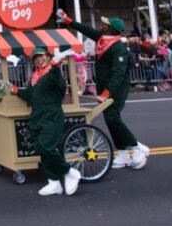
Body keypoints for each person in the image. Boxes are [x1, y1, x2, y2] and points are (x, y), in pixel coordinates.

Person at [57, 10, 148, 169]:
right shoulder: (102, 38)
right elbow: (86, 29)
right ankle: (123, 153)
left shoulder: (119, 48)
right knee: (110, 119)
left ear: (111, 29)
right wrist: (68, 20)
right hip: (104, 87)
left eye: (105, 24)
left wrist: (107, 92)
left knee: (113, 118)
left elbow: (118, 74)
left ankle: (136, 147)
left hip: (117, 89)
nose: (101, 25)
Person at [7, 48, 82, 196]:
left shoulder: (53, 74)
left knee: (45, 147)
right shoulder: (34, 76)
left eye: (41, 56)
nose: (39, 59)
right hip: (37, 118)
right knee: (42, 150)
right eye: (35, 58)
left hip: (52, 117)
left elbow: (56, 80)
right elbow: (30, 95)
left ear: (47, 57)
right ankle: (53, 182)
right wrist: (15, 90)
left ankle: (69, 172)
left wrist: (55, 64)